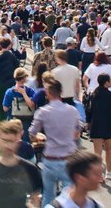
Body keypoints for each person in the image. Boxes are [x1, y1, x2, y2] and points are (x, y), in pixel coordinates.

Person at [29, 77, 80, 206]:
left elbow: (31, 134)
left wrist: (41, 137)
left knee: (48, 194)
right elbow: (76, 133)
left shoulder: (42, 112)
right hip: (69, 158)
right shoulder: (73, 111)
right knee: (68, 195)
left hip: (50, 158)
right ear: (60, 93)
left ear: (48, 94)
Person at [0, 119, 43, 208]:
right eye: (4, 141)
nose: (7, 145)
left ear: (17, 142)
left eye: (11, 141)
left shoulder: (29, 169)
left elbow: (35, 199)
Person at [87, 73, 111, 183]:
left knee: (97, 152)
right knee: (109, 149)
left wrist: (88, 123)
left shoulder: (94, 94)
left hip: (96, 125)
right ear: (106, 82)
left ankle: (98, 174)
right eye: (110, 81)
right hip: (109, 126)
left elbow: (89, 111)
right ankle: (109, 171)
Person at [0, 38, 21, 121]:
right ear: (9, 45)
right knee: (9, 104)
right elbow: (18, 68)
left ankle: (1, 122)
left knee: (0, 104)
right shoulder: (12, 56)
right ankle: (8, 121)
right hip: (10, 83)